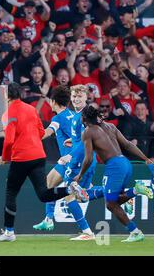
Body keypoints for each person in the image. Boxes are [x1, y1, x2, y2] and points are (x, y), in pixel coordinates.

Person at [0, 83, 86, 242]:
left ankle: (9, 232)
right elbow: (41, 132)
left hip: (23, 158)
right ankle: (67, 194)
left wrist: (4, 157)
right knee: (44, 193)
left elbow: (9, 141)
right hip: (40, 156)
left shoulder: (8, 114)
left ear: (7, 96)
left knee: (11, 193)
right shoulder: (31, 109)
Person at [76, 105, 154, 242]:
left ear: (84, 118)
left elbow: (88, 159)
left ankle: (135, 231)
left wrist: (80, 175)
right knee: (115, 200)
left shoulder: (88, 132)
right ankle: (134, 193)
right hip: (125, 163)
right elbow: (128, 145)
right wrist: (145, 158)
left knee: (110, 204)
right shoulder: (110, 127)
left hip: (114, 166)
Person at [56, 84, 103, 240]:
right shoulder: (81, 115)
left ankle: (87, 232)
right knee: (83, 194)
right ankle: (120, 191)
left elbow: (85, 142)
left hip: (79, 161)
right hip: (89, 160)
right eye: (74, 96)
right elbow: (84, 138)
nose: (76, 99)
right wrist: (74, 140)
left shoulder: (83, 116)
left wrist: (70, 155)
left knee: (69, 194)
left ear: (86, 98)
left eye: (79, 96)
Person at [33, 85, 75, 231]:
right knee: (49, 183)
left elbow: (47, 133)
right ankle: (49, 219)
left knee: (78, 194)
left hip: (71, 161)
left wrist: (29, 136)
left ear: (53, 101)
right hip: (73, 159)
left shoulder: (58, 118)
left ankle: (125, 194)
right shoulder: (73, 115)